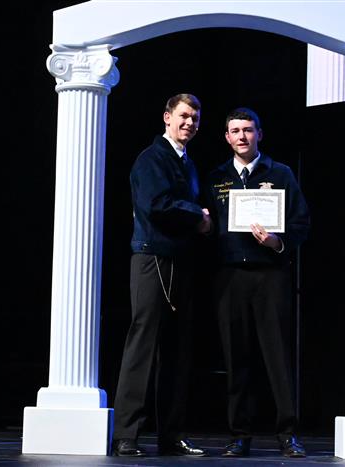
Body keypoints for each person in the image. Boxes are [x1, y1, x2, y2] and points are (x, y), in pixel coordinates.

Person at [111, 93, 212, 457]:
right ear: (167, 117)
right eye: (183, 116)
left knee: (176, 351)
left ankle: (171, 435)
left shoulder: (186, 162)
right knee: (143, 344)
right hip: (153, 258)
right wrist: (198, 216)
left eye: (195, 118)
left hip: (179, 260)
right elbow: (157, 205)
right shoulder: (152, 158)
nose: (189, 123)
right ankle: (126, 434)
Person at [206, 108, 310, 458]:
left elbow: (301, 222)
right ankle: (240, 435)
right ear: (227, 137)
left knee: (277, 356)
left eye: (248, 130)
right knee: (236, 357)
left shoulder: (280, 173)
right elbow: (206, 229)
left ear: (259, 134)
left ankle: (288, 434)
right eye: (235, 131)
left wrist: (277, 242)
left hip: (270, 275)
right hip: (230, 277)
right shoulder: (216, 178)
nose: (242, 136)